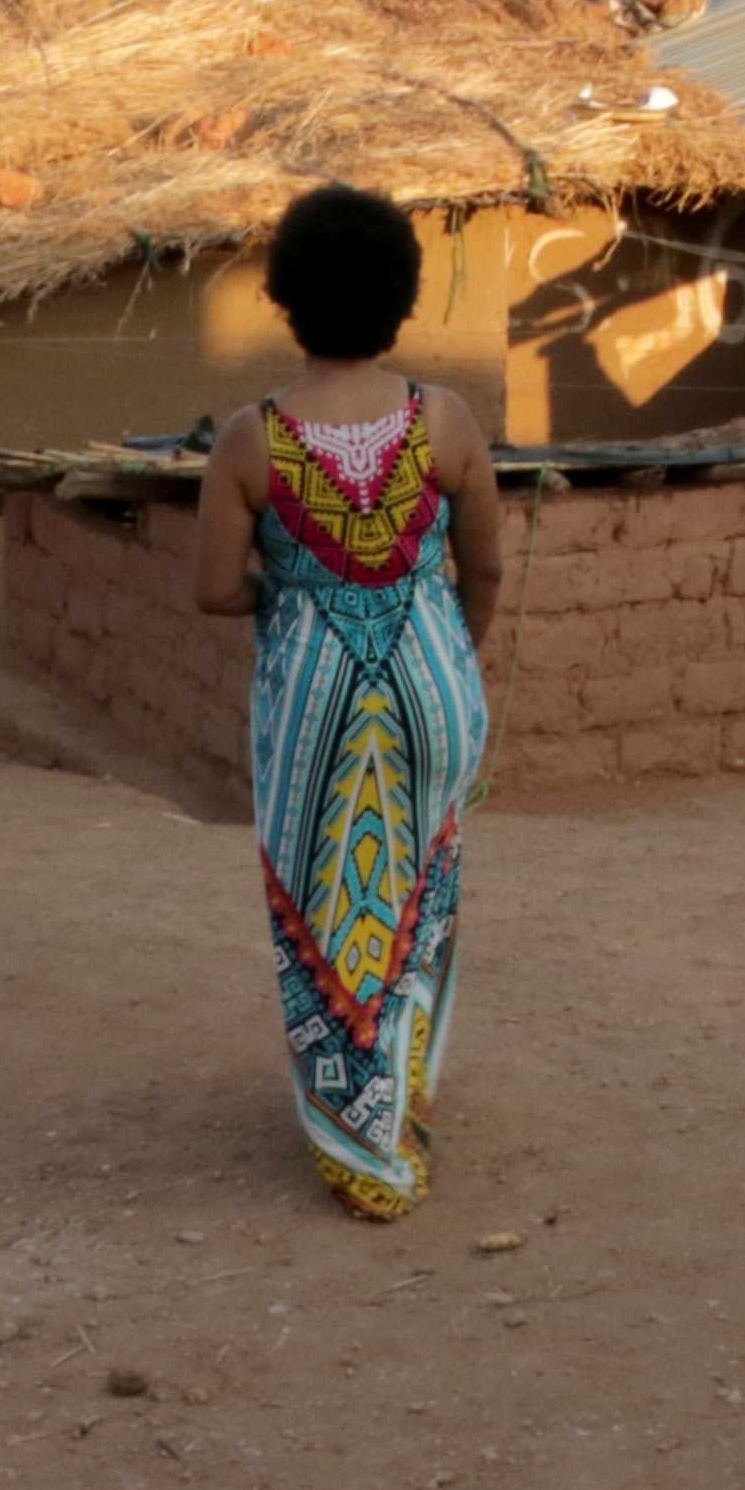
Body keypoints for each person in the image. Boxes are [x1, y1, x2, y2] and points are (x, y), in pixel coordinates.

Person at [191, 183, 507, 1219]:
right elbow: (486, 568)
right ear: (400, 297)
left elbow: (211, 587)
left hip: (314, 700)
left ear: (284, 299)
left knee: (325, 910)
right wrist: (443, 657)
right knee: (416, 889)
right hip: (433, 688)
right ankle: (400, 1090)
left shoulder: (250, 439)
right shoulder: (445, 420)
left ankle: (360, 1147)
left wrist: (285, 596)